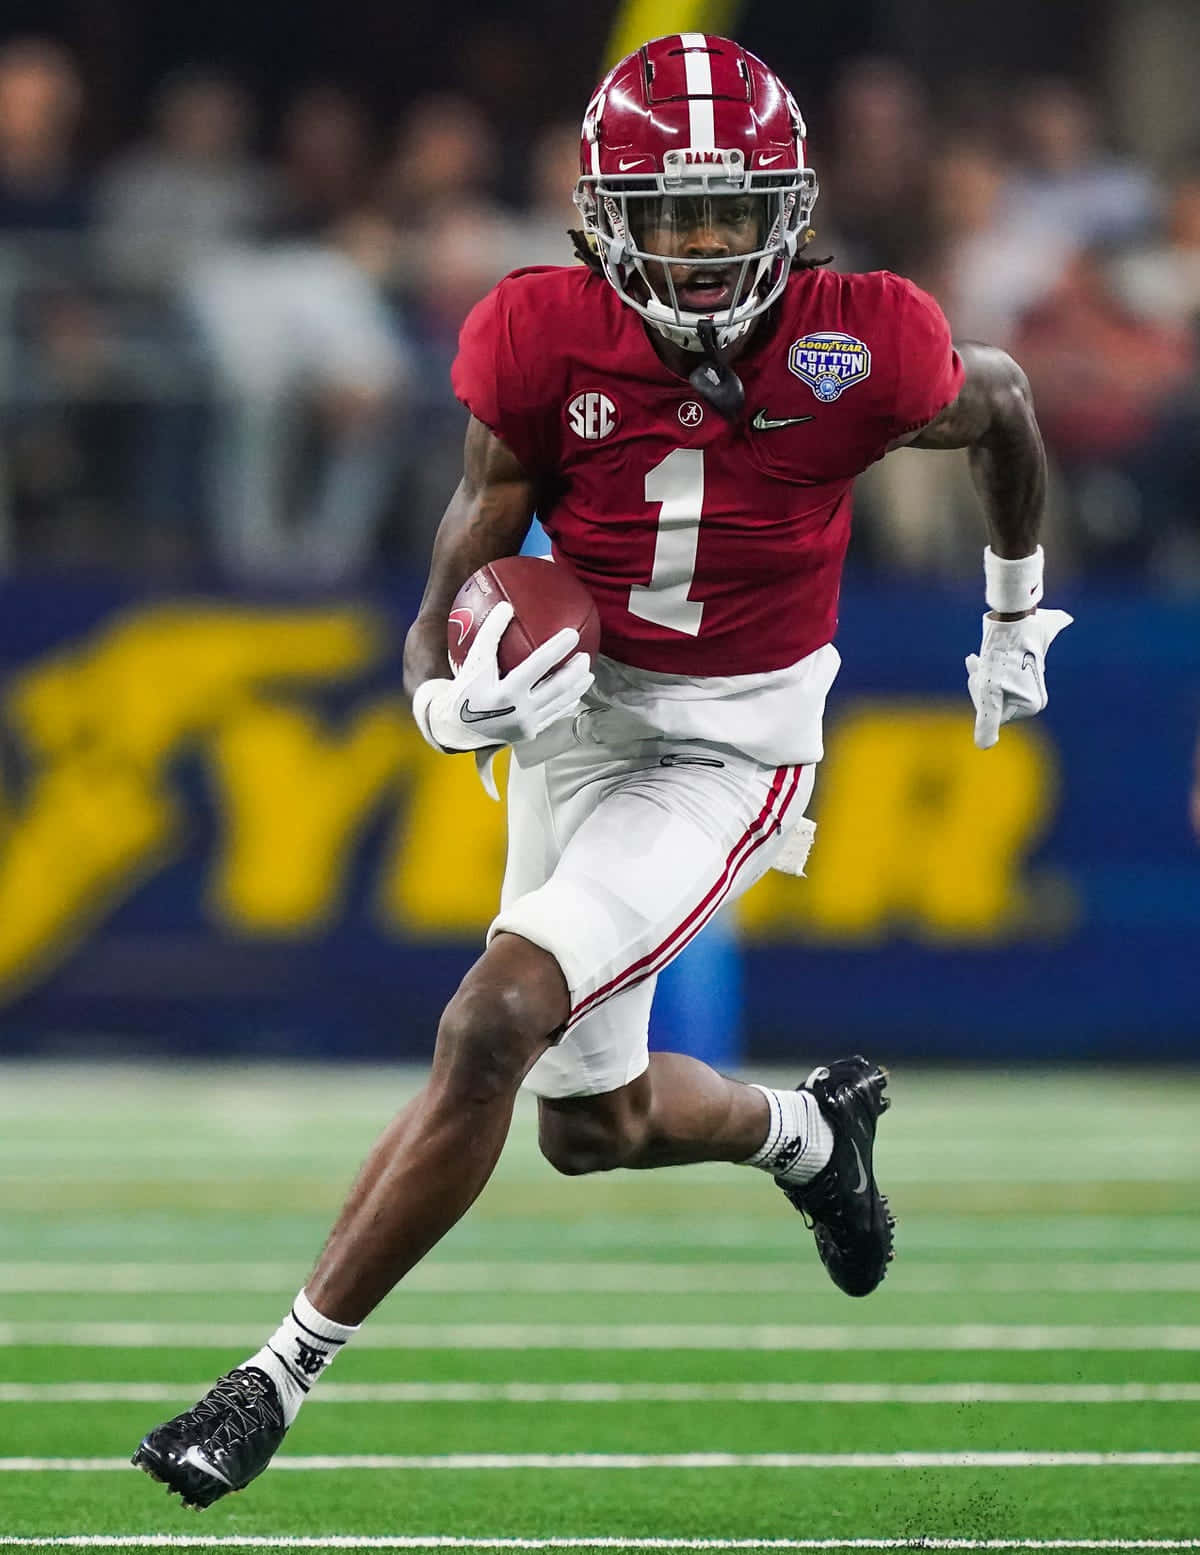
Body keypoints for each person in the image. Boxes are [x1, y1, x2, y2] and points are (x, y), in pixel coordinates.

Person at [132, 34, 1072, 1509]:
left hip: (731, 736)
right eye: (671, 213)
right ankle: (812, 1131)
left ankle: (276, 1376)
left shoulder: (861, 338)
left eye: (731, 210)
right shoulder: (537, 334)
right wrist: (444, 703)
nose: (704, 249)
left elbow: (1006, 403)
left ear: (794, 206)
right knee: (591, 1126)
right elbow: (462, 558)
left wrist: (1014, 613)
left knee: (491, 1019)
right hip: (578, 714)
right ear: (599, 216)